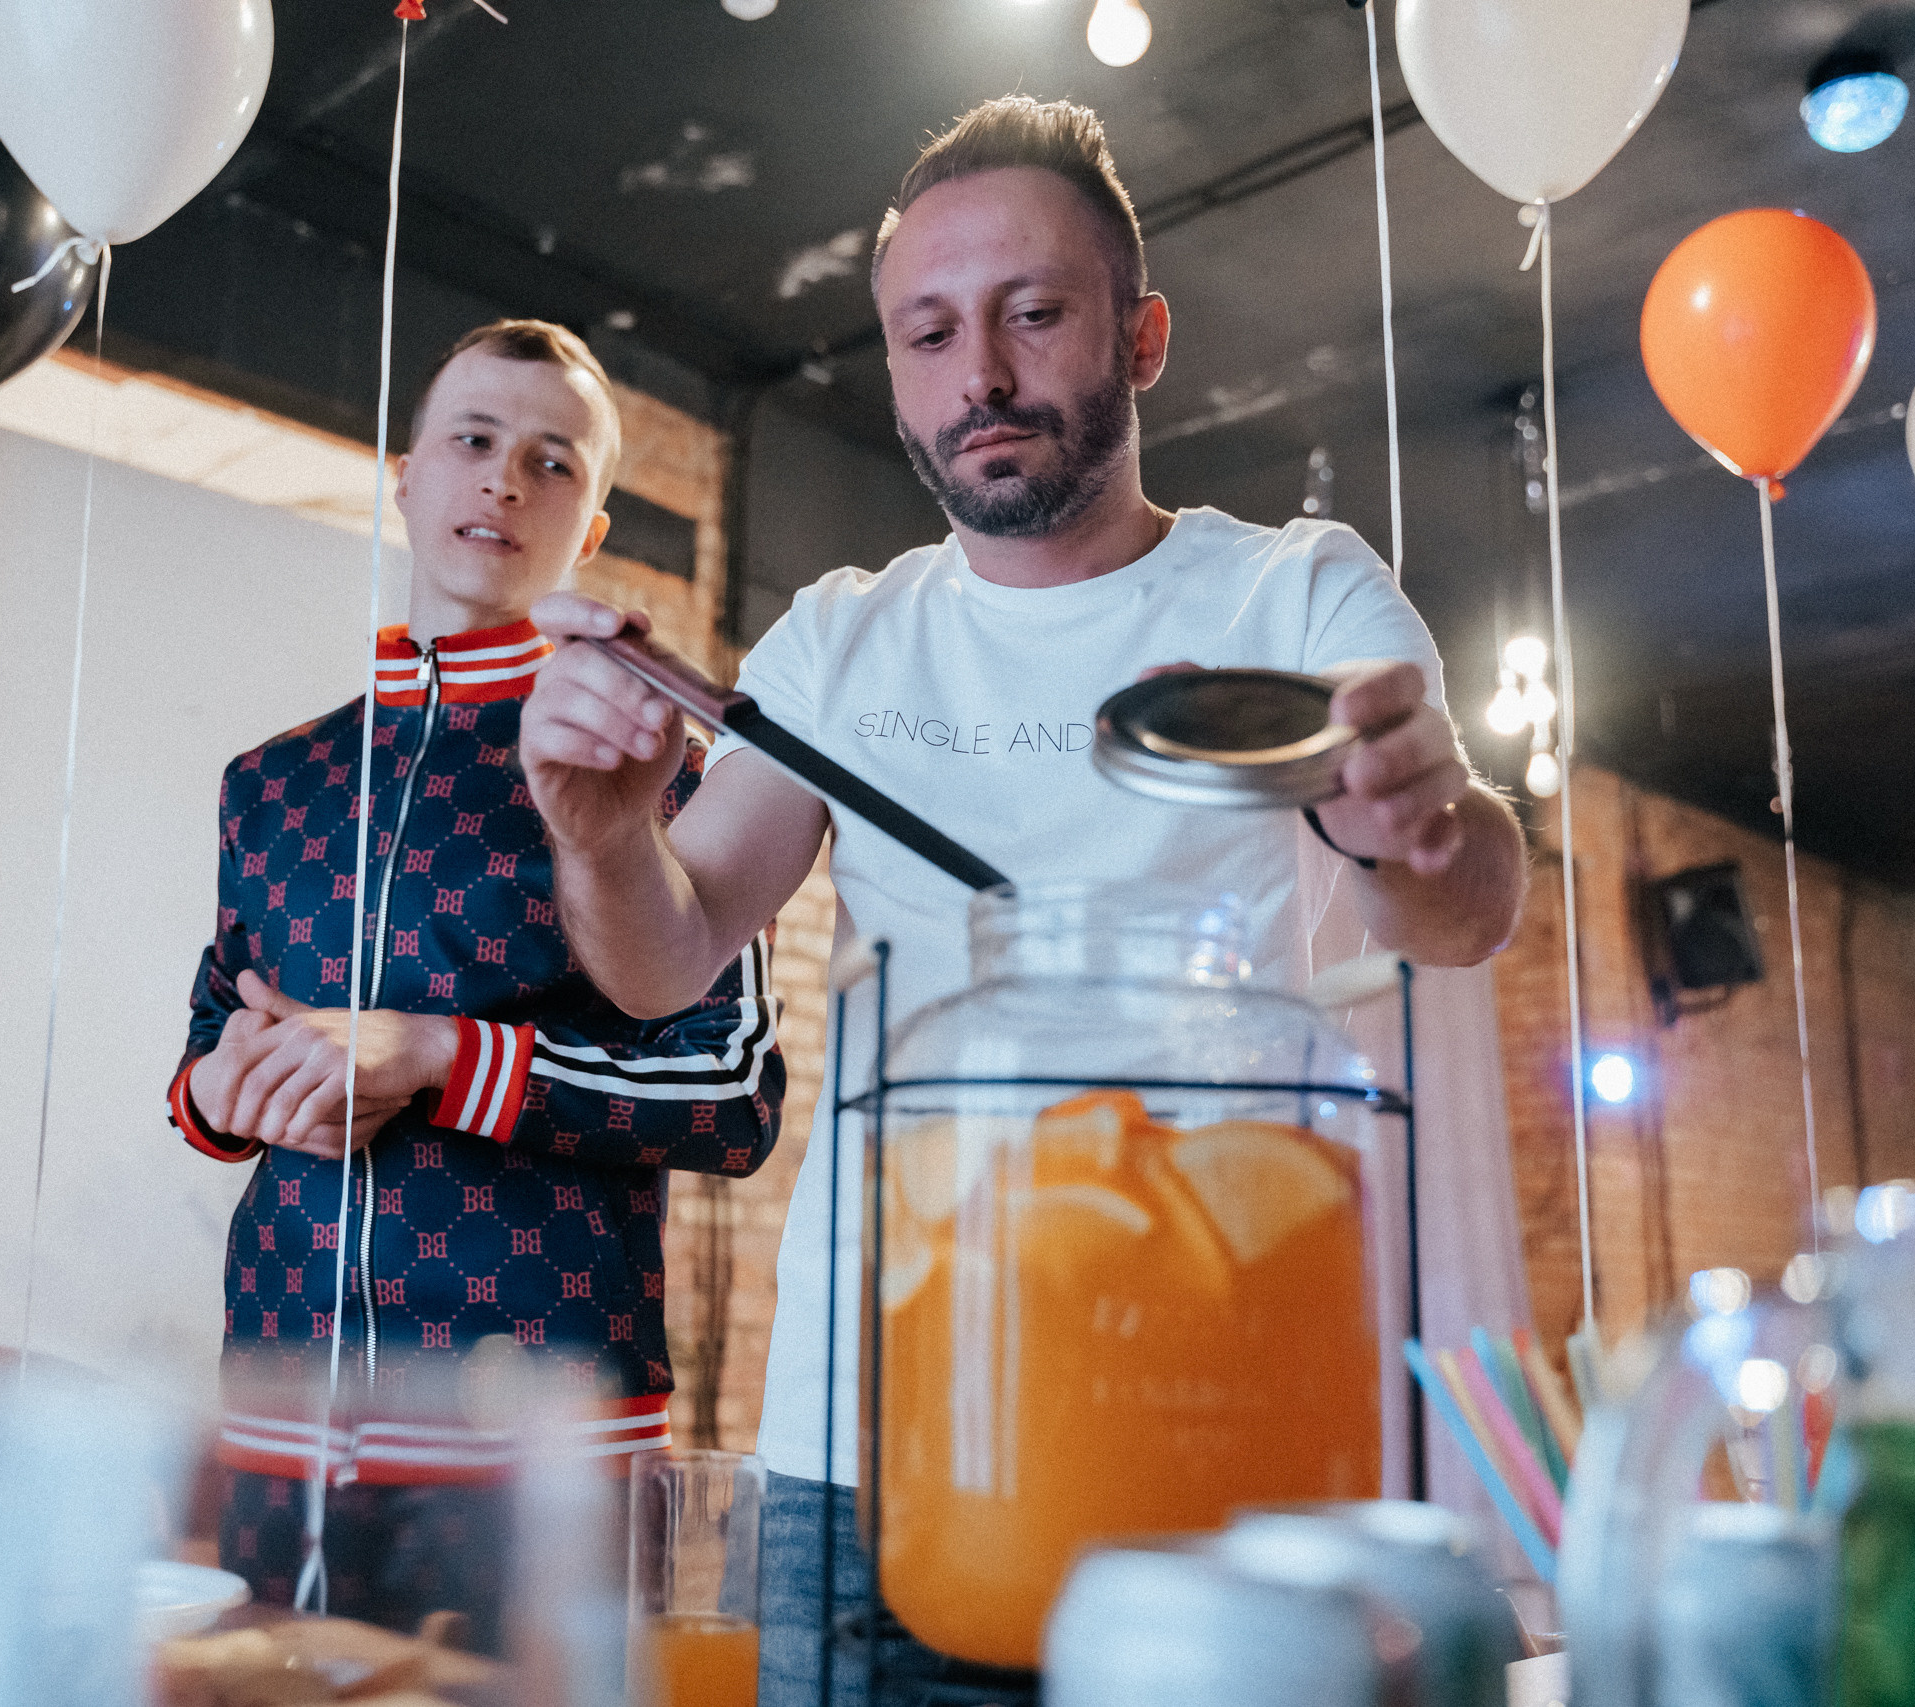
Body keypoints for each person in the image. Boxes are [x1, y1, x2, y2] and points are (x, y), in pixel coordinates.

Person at [517, 98, 1526, 1700]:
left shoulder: (1292, 589)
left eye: (1033, 314)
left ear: (1143, 335)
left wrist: (1412, 816)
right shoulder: (841, 642)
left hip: (1207, 1417)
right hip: (873, 1438)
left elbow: (1457, 913)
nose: (977, 376)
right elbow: (663, 958)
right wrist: (600, 831)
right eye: (926, 333)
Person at [167, 319, 785, 1647]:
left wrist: (437, 1057)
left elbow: (731, 1097)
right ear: (405, 475)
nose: (507, 479)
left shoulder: (651, 763)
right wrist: (235, 1085)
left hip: (545, 1443)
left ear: (595, 522)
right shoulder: (269, 782)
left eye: (551, 460)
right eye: (475, 440)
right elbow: (212, 1043)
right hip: (281, 1421)